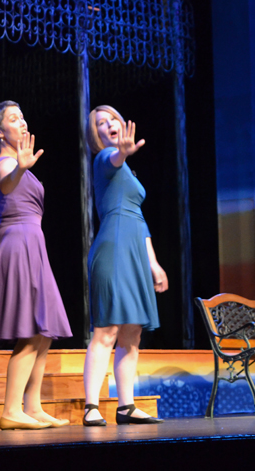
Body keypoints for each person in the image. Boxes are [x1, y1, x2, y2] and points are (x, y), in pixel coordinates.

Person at [0, 101, 72, 430]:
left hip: (32, 243)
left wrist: (23, 167)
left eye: (24, 117)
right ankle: (11, 410)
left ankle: (33, 406)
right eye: (14, 119)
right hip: (16, 244)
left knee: (43, 332)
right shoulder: (4, 163)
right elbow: (7, 182)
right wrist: (20, 169)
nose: (23, 123)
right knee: (30, 331)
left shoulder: (18, 162)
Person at [82, 105, 168, 426]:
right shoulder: (104, 159)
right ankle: (91, 406)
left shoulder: (128, 172)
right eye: (101, 124)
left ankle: (126, 406)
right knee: (107, 330)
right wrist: (121, 153)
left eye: (113, 119)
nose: (109, 125)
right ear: (98, 136)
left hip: (134, 250)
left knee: (132, 333)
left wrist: (154, 264)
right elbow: (113, 159)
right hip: (113, 249)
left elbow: (140, 219)